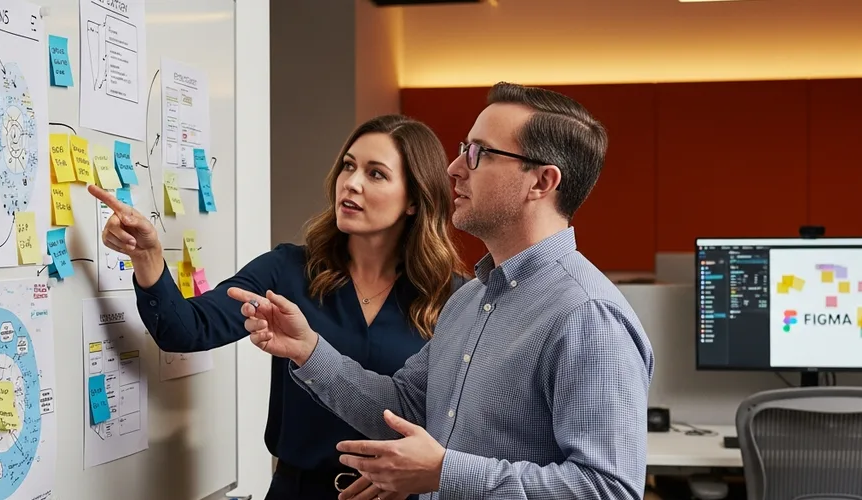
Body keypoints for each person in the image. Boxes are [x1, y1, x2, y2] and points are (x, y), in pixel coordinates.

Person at [228, 82, 656, 500]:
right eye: (462, 147)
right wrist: (309, 350)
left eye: (478, 153)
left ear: (542, 182)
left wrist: (444, 473)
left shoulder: (588, 315)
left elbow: (608, 488)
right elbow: (405, 407)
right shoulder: (469, 301)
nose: (454, 168)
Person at [88, 114, 468, 500]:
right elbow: (184, 329)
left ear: (414, 201)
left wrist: (420, 476)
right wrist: (149, 257)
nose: (351, 183)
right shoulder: (287, 271)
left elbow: (469, 420)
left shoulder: (456, 298)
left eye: (376, 174)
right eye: (349, 166)